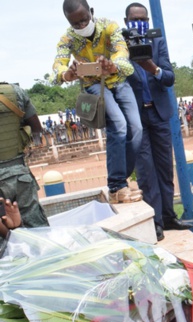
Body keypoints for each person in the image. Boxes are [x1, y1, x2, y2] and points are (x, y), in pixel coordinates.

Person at [53, 0, 143, 204]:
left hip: (118, 81)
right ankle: (116, 185)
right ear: (68, 21)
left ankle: (121, 180)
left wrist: (113, 66)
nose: (82, 25)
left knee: (136, 129)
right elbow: (58, 64)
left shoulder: (109, 27)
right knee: (119, 126)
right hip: (94, 86)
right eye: (76, 24)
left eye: (85, 19)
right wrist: (67, 74)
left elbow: (122, 53)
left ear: (91, 12)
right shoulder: (67, 39)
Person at [123, 2, 193, 242]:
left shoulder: (157, 43)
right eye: (135, 19)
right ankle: (154, 222)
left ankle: (169, 216)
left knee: (164, 168)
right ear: (126, 22)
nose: (140, 23)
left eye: (144, 19)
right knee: (146, 172)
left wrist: (153, 69)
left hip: (160, 114)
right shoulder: (119, 47)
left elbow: (169, 78)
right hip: (137, 118)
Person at [0, 82, 49, 229]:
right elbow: (37, 129)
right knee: (37, 228)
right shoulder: (15, 92)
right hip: (19, 175)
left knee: (4, 235)